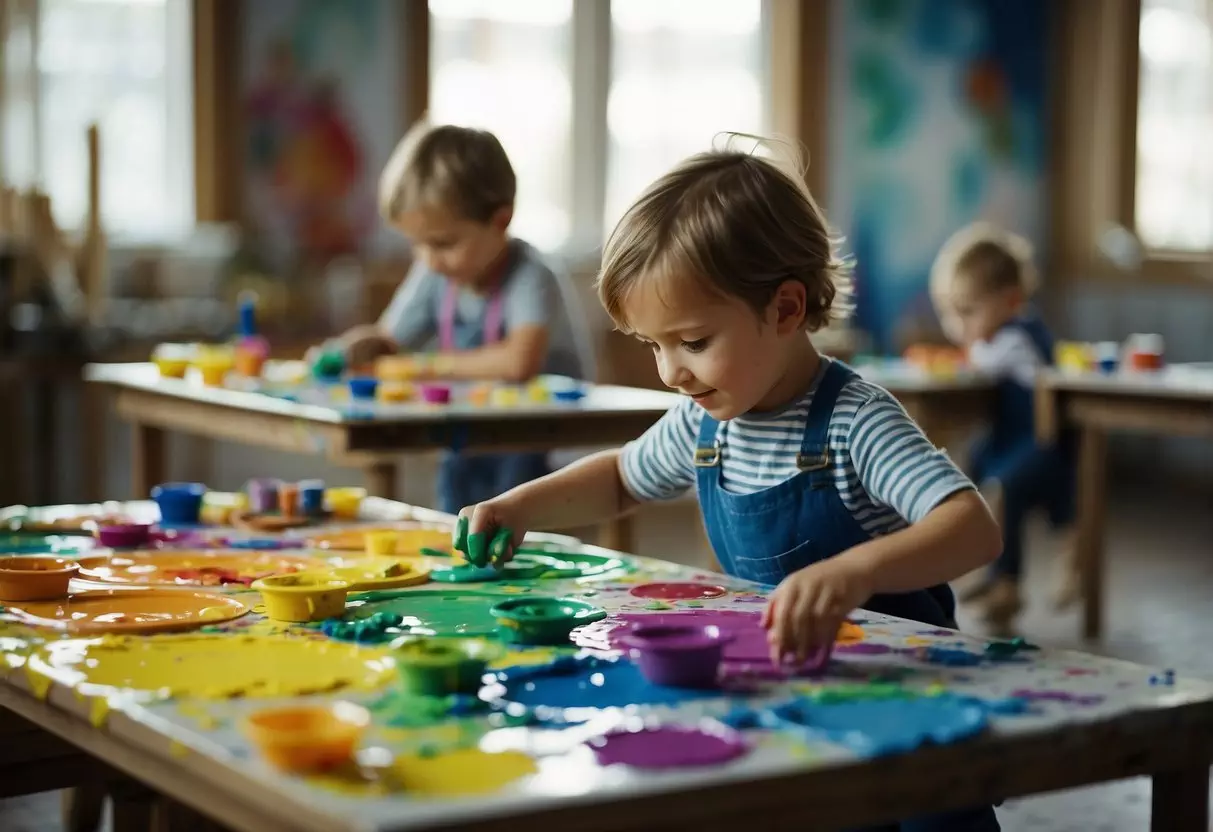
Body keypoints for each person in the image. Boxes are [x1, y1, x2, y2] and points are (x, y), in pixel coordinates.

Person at [459, 137, 1003, 832]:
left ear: (782, 310)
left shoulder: (854, 421)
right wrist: (520, 506)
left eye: (690, 341)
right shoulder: (703, 419)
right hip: (795, 693)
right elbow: (623, 479)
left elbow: (970, 526)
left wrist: (854, 573)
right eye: (653, 346)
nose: (669, 372)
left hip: (908, 701)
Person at [333, 121, 593, 513]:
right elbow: (390, 340)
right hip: (469, 426)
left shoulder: (531, 274)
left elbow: (518, 362)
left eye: (443, 243)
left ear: (500, 221)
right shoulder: (437, 273)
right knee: (455, 507)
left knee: (514, 517)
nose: (429, 259)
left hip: (536, 432)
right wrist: (356, 348)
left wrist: (420, 366)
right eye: (417, 244)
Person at [930, 222, 1077, 633]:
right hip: (1009, 440)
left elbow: (979, 367)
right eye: (951, 313)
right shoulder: (1000, 336)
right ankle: (989, 568)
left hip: (1042, 444)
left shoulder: (1015, 337)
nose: (958, 326)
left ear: (1010, 301)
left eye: (967, 312)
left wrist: (960, 355)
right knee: (972, 468)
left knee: (1002, 489)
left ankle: (1007, 583)